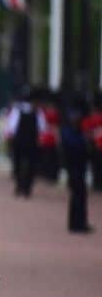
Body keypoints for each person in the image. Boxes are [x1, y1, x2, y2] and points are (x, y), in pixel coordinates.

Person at [6, 87, 44, 197]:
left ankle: (19, 185)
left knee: (18, 164)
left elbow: (12, 126)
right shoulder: (37, 111)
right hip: (32, 141)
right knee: (31, 165)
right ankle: (27, 187)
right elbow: (42, 127)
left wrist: (11, 136)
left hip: (19, 140)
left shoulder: (17, 109)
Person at [61, 98, 91, 233]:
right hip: (74, 166)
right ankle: (77, 224)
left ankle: (79, 222)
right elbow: (75, 146)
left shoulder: (76, 130)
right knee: (78, 195)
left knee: (80, 195)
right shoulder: (69, 131)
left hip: (79, 166)